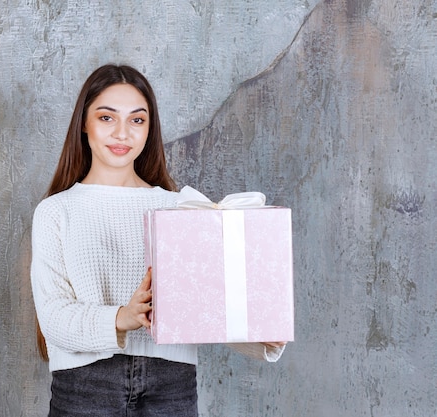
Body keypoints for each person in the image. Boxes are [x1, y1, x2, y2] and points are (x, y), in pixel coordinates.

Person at [30, 64, 286, 417]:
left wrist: (259, 335)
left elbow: (200, 304)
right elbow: (54, 319)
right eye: (107, 118)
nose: (122, 133)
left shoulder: (181, 206)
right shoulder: (56, 211)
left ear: (149, 130)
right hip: (85, 384)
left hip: (172, 382)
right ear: (84, 124)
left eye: (137, 120)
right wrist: (123, 316)